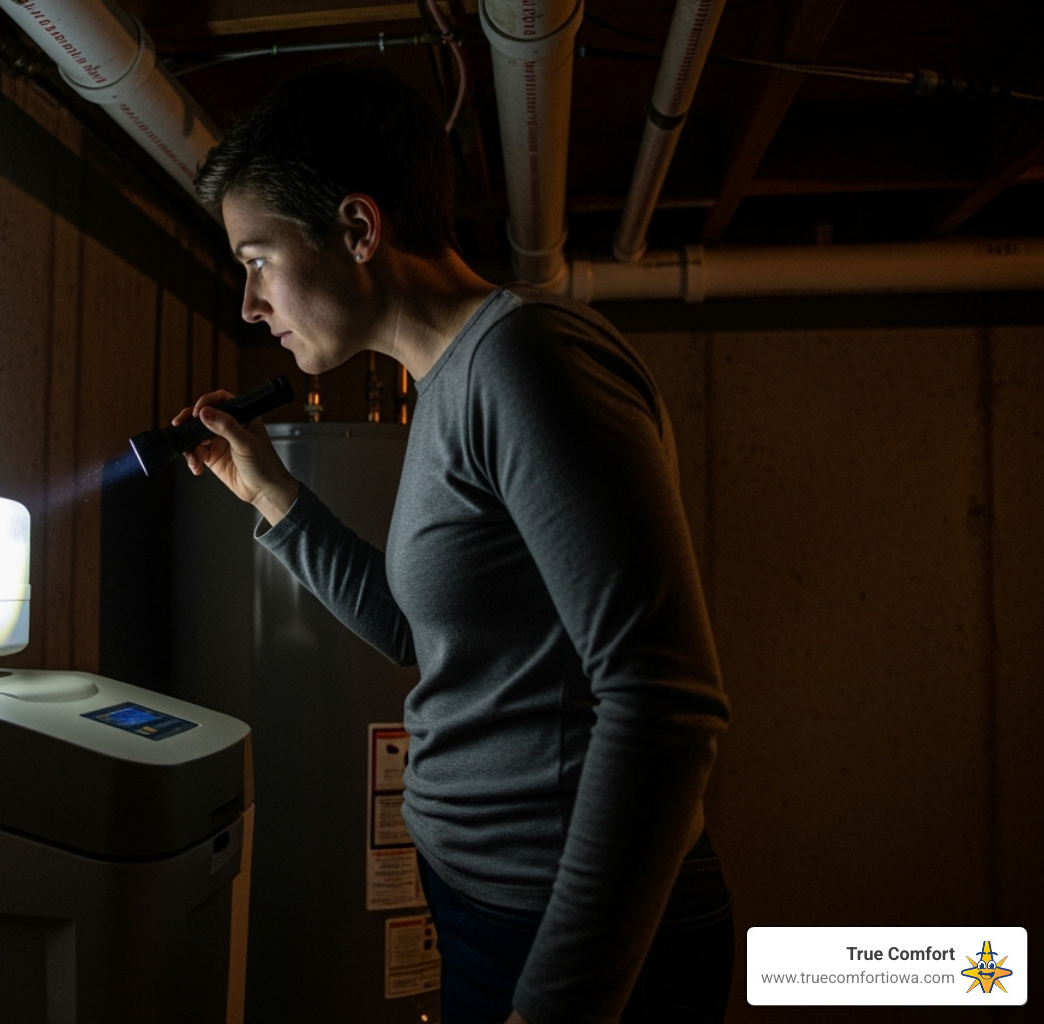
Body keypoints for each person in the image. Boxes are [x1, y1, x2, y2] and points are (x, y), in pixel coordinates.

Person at [175, 64, 733, 1024]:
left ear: (358, 228)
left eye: (259, 258)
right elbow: (417, 633)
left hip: (559, 934)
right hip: (488, 911)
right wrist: (270, 494)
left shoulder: (527, 363)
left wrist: (560, 1004)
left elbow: (663, 699)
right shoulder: (451, 382)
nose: (249, 304)